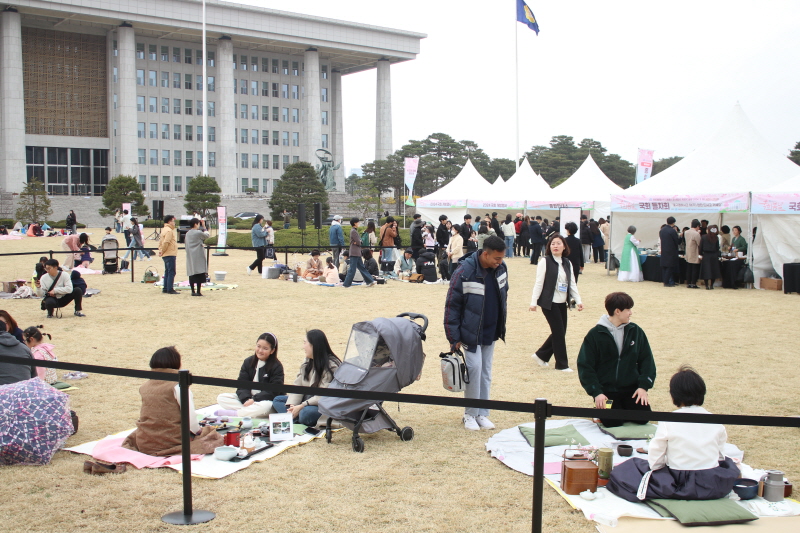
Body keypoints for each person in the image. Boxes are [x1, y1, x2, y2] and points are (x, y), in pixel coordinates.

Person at [607, 365, 738, 502]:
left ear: (674, 394)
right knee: (730, 464)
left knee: (629, 467)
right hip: (711, 481)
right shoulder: (715, 421)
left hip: (679, 480)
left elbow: (656, 455)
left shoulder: (669, 420)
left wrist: (657, 470)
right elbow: (720, 455)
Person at [444, 236, 509, 431]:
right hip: (470, 332)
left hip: (491, 329)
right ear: (485, 254)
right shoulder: (464, 271)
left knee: (485, 372)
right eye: (497, 258)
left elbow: (504, 296)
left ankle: (483, 412)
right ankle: (470, 414)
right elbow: (452, 306)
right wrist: (453, 337)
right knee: (473, 370)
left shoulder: (501, 268)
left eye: (502, 258)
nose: (500, 261)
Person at [123, 346, 222, 456]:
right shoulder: (178, 385)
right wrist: (198, 431)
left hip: (145, 442)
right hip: (171, 440)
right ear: (176, 363)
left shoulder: (144, 386)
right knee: (212, 435)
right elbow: (190, 418)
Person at [577, 292, 656, 427]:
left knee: (643, 418)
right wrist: (597, 393)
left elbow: (647, 360)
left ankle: (621, 408)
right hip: (607, 392)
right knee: (613, 422)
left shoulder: (636, 331)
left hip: (632, 391)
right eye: (628, 309)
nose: (631, 313)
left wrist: (643, 387)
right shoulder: (595, 335)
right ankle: (601, 411)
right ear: (617, 311)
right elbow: (585, 366)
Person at [530, 234, 584, 372]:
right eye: (553, 243)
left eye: (558, 243)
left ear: (564, 246)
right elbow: (539, 282)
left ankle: (541, 355)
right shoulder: (545, 261)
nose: (555, 246)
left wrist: (578, 300)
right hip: (549, 303)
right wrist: (533, 302)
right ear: (549, 246)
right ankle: (561, 364)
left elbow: (572, 284)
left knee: (560, 331)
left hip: (562, 302)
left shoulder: (567, 262)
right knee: (559, 332)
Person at [272, 330, 342, 427]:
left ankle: (294, 417)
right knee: (278, 400)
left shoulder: (331, 366)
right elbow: (298, 385)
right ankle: (294, 416)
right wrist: (292, 405)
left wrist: (301, 406)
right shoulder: (308, 361)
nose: (303, 346)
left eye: (305, 343)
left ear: (314, 345)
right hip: (307, 400)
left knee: (305, 413)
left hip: (323, 405)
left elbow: (323, 396)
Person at [216, 332, 285, 417]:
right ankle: (249, 412)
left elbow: (273, 391)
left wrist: (254, 399)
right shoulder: (248, 362)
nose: (260, 351)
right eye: (258, 346)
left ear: (272, 350)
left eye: (265, 348)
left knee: (266, 406)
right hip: (249, 400)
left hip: (265, 401)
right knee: (222, 398)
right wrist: (246, 399)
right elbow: (241, 384)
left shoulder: (276, 366)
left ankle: (237, 414)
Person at [0, 320, 35, 386]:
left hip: (4, 393)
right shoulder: (24, 348)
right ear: (6, 329)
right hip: (24, 392)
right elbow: (34, 377)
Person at [344, 218, 376, 288]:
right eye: (358, 222)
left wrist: (358, 241)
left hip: (357, 252)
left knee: (362, 268)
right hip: (354, 252)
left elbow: (358, 241)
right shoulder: (353, 231)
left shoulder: (354, 231)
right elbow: (359, 242)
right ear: (355, 223)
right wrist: (359, 241)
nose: (359, 223)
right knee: (353, 269)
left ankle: (370, 281)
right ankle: (346, 284)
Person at [185, 218, 209, 296]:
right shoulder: (198, 232)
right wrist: (204, 226)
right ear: (195, 224)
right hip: (198, 254)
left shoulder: (188, 233)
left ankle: (192, 291)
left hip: (190, 255)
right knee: (200, 272)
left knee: (192, 272)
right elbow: (207, 235)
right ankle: (198, 291)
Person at [158, 215, 179, 295]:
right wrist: (162, 250)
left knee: (167, 271)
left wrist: (160, 250)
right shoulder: (169, 231)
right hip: (170, 253)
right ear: (170, 222)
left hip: (166, 253)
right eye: (173, 221)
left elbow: (161, 242)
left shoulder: (164, 229)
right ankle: (170, 289)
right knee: (171, 272)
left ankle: (166, 288)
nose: (174, 223)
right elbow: (166, 242)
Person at [699, 224, 721, 290]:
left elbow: (701, 247)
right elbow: (717, 248)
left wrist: (700, 254)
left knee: (706, 270)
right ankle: (711, 285)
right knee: (713, 271)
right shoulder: (716, 238)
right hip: (714, 255)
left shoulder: (703, 237)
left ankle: (706, 285)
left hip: (706, 255)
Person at [660, 216, 680, 287]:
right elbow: (677, 241)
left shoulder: (662, 230)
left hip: (664, 250)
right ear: (673, 222)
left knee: (665, 267)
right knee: (670, 267)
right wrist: (679, 236)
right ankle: (666, 282)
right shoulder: (672, 231)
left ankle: (668, 281)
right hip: (671, 251)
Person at [684, 219, 702, 289]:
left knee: (689, 268)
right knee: (695, 268)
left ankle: (688, 283)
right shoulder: (696, 234)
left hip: (688, 251)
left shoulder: (686, 232)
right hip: (694, 252)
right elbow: (699, 243)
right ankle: (693, 283)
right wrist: (699, 233)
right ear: (697, 226)